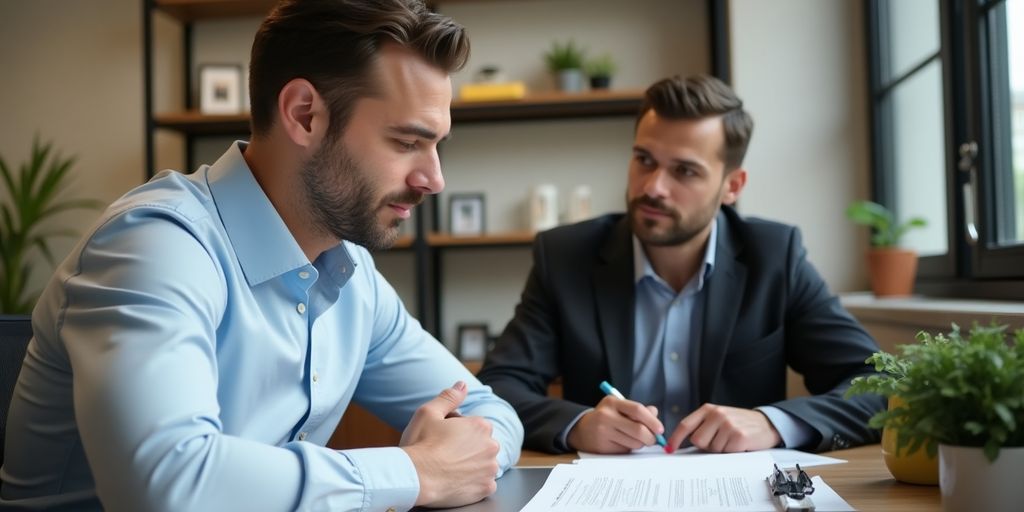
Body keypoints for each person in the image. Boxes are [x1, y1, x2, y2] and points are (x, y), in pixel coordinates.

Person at [0, 1, 523, 510]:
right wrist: (415, 472)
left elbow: (485, 411)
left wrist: (455, 458)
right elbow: (166, 487)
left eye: (437, 147)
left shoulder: (350, 274)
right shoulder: (154, 246)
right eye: (407, 142)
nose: (433, 179)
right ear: (304, 115)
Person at [477, 74, 885, 455]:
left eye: (685, 171)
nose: (653, 187)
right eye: (644, 160)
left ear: (732, 186)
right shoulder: (566, 257)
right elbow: (499, 386)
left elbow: (879, 386)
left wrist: (773, 423)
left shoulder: (774, 257)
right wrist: (578, 423)